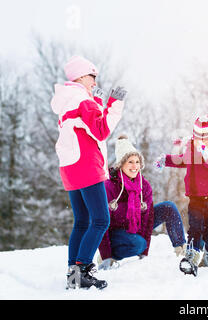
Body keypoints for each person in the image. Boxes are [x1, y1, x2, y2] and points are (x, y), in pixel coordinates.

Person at [51, 55, 127, 289]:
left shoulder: (67, 99)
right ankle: (83, 269)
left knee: (82, 222)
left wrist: (96, 102)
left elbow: (87, 127)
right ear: (82, 77)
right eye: (93, 77)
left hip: (70, 168)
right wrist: (114, 104)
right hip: (86, 165)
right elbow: (102, 130)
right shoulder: (82, 100)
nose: (95, 82)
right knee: (101, 220)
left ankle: (73, 277)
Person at [97, 135, 187, 270]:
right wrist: (106, 256)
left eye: (137, 162)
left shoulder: (143, 185)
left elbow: (148, 218)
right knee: (138, 244)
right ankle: (115, 254)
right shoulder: (109, 186)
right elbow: (101, 223)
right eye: (130, 162)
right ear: (121, 164)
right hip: (116, 232)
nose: (135, 166)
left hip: (137, 225)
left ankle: (181, 248)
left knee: (168, 207)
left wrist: (144, 253)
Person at [154, 115, 208, 276]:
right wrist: (166, 159)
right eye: (200, 138)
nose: (203, 142)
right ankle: (191, 257)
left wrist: (206, 153)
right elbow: (184, 160)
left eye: (207, 138)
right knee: (195, 227)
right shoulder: (192, 146)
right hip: (196, 195)